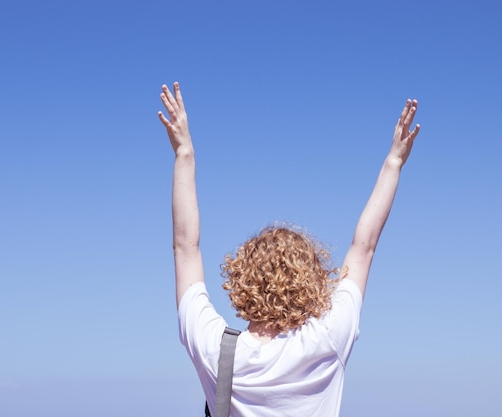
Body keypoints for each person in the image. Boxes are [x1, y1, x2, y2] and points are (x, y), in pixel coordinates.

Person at [158, 81, 420, 417]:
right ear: (311, 282)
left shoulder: (215, 349)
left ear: (242, 280)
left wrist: (184, 153)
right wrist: (394, 163)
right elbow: (364, 246)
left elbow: (185, 247)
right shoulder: (327, 340)